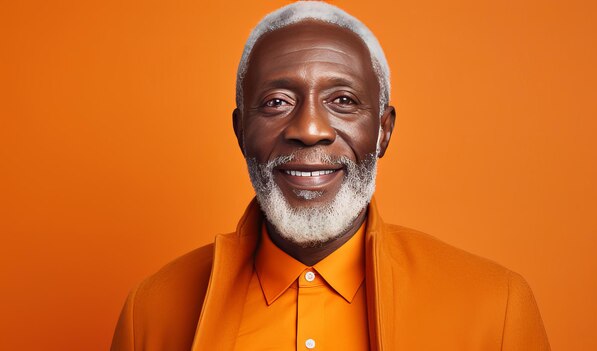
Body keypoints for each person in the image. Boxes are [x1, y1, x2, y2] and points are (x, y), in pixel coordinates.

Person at [111, 2, 550, 350]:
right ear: (240, 131)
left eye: (342, 99)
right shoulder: (150, 312)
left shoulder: (496, 308)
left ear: (383, 130)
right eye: (277, 102)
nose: (309, 130)